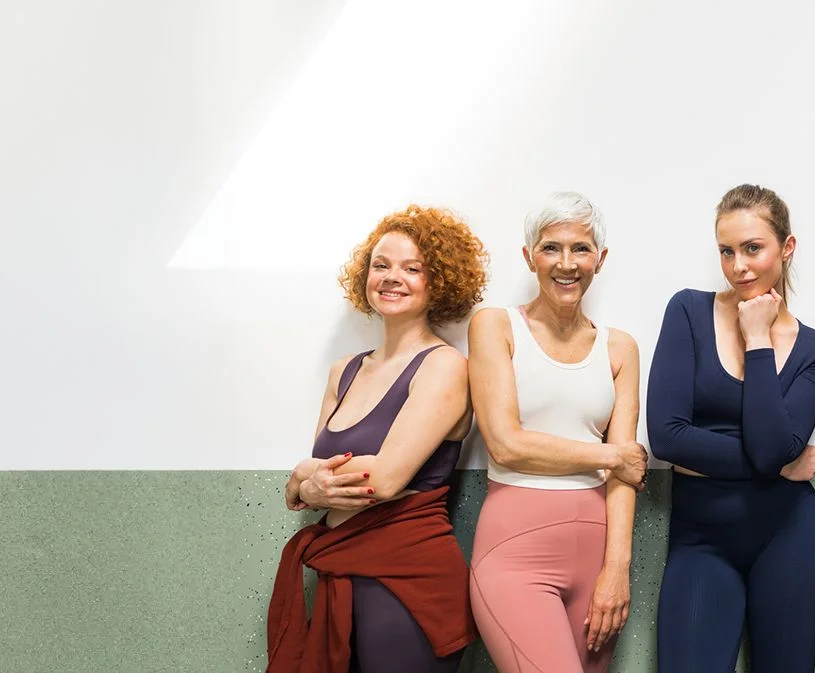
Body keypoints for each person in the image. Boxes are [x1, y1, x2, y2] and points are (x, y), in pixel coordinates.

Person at [268, 205, 488, 673]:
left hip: (408, 583)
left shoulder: (445, 367)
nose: (393, 278)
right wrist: (304, 483)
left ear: (440, 282)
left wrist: (305, 480)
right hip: (340, 572)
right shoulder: (343, 371)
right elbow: (309, 482)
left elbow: (384, 479)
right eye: (381, 265)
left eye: (413, 268)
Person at [648, 184, 815, 673]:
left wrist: (757, 339)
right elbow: (667, 436)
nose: (738, 266)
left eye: (753, 248)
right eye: (727, 251)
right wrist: (775, 468)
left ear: (786, 248)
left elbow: (772, 446)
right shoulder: (688, 311)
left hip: (789, 535)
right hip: (701, 540)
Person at [466, 192, 646, 673]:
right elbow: (506, 442)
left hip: (597, 558)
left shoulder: (621, 348)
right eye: (551, 248)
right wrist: (609, 456)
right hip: (514, 552)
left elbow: (626, 474)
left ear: (599, 260)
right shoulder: (495, 327)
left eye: (581, 248)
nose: (566, 263)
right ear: (529, 257)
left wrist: (617, 570)